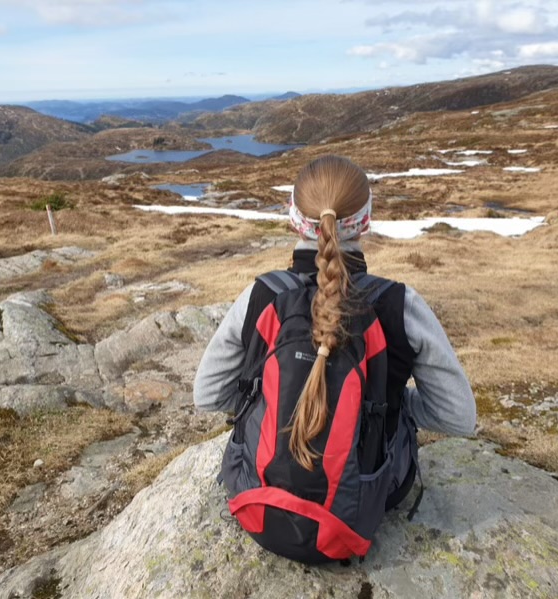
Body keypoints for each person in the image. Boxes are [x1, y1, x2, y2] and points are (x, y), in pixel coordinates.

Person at [193, 154, 476, 561]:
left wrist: (269, 399)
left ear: (294, 219)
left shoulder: (262, 296)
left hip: (257, 504)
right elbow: (458, 417)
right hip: (356, 512)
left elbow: (208, 395)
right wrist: (395, 406)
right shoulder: (399, 305)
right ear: (365, 222)